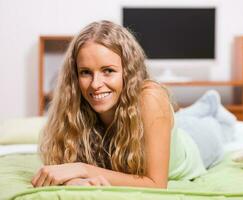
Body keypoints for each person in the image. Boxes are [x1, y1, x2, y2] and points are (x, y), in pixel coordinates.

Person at [31, 20, 220, 189]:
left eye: (108, 71)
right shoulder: (74, 108)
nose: (95, 84)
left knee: (214, 123)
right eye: (86, 72)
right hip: (170, 126)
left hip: (196, 144)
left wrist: (83, 169)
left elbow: (156, 184)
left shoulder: (151, 97)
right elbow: (67, 171)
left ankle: (211, 104)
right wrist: (76, 181)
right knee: (185, 118)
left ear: (127, 72)